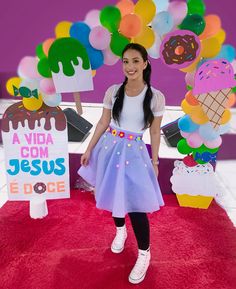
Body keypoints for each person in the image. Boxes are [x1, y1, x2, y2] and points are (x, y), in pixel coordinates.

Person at [78, 43, 165, 284]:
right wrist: (89, 148)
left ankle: (144, 253)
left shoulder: (155, 97)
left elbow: (155, 133)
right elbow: (103, 122)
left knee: (136, 205)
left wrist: (155, 161)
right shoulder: (114, 91)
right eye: (125, 61)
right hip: (109, 149)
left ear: (145, 63)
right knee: (109, 194)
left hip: (135, 154)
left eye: (136, 61)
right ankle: (120, 231)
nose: (130, 66)